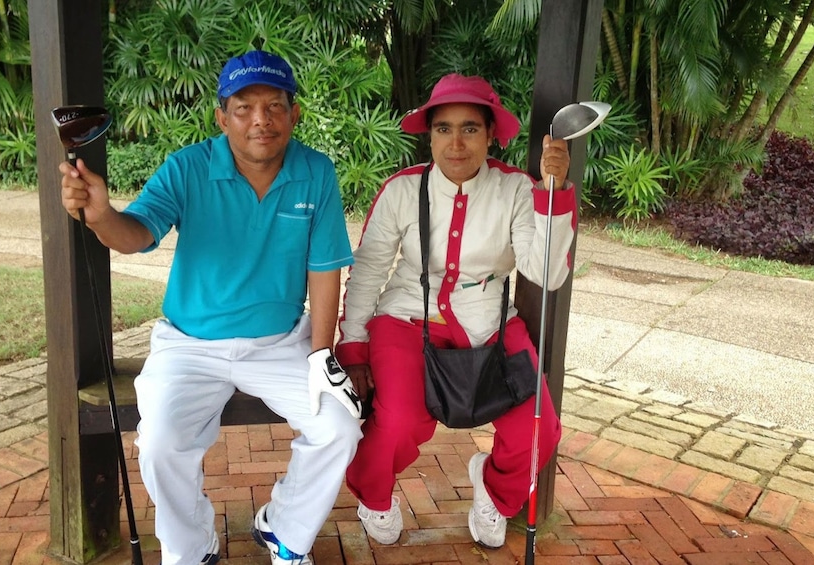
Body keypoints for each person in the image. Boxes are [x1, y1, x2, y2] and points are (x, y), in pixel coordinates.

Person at [59, 50, 363, 565]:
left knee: (338, 427)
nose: (260, 120)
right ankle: (191, 548)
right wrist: (100, 214)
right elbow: (136, 234)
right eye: (243, 107)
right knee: (159, 443)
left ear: (295, 114)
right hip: (190, 343)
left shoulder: (316, 172)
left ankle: (284, 528)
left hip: (281, 341)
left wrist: (320, 356)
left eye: (274, 105)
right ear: (222, 117)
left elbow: (324, 269)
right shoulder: (187, 167)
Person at [335, 73, 574, 549]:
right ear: (430, 135)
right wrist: (355, 345)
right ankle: (375, 496)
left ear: (490, 135)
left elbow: (545, 274)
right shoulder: (402, 190)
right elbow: (368, 272)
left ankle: (497, 490)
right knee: (400, 421)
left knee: (540, 427)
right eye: (443, 128)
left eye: (470, 128)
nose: (456, 142)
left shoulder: (517, 189)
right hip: (406, 316)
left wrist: (553, 192)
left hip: (488, 320)